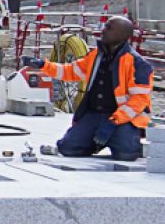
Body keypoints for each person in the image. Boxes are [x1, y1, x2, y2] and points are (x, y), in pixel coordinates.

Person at [30, 17, 153, 160]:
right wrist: (43, 65)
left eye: (108, 28)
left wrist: (113, 122)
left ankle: (129, 145)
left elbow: (138, 101)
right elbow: (71, 71)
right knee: (68, 148)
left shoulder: (138, 64)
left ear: (122, 35)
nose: (103, 30)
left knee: (126, 154)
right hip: (95, 114)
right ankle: (95, 143)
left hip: (122, 119)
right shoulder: (96, 56)